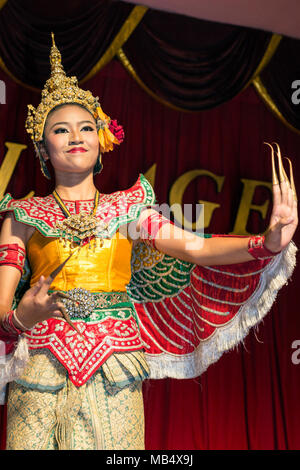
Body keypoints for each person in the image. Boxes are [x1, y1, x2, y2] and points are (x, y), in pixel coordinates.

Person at [0, 35, 297, 450]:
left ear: (101, 138)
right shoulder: (22, 216)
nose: (75, 136)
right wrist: (23, 318)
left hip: (116, 364)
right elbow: (1, 313)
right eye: (60, 130)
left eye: (86, 126)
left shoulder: (129, 210)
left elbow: (194, 248)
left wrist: (265, 243)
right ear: (42, 146)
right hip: (39, 369)